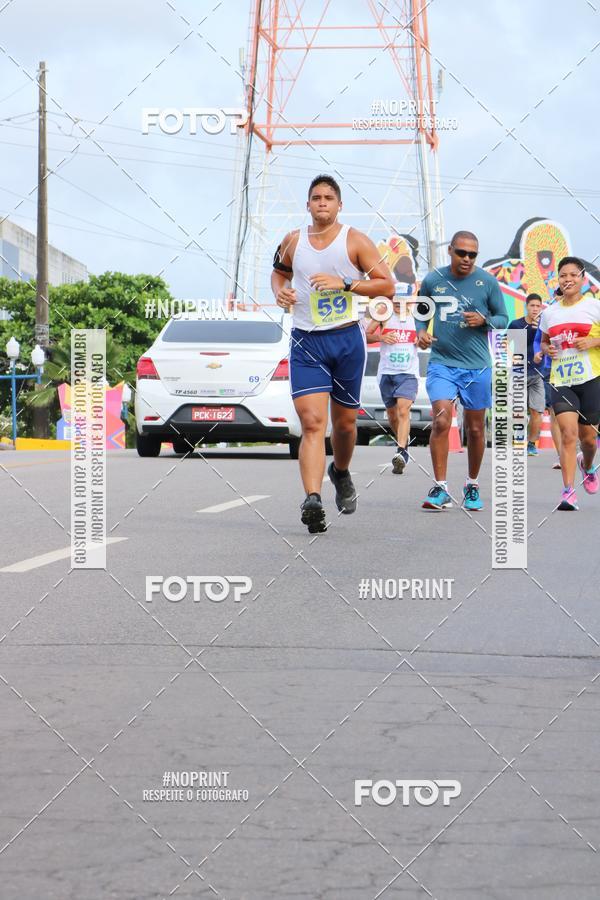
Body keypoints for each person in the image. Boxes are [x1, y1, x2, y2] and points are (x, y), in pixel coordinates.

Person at [271, 174, 395, 532]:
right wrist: (281, 292)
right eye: (315, 197)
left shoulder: (354, 240)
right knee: (312, 424)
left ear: (339, 205)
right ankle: (313, 499)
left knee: (345, 424)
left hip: (346, 340)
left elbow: (387, 285)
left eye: (328, 197)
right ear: (307, 205)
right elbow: (278, 274)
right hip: (306, 341)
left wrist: (345, 283)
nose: (322, 202)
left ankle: (340, 472)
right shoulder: (293, 241)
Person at [416, 230, 508, 511]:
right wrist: (421, 332)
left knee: (476, 428)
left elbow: (503, 319)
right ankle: (441, 488)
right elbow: (421, 312)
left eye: (472, 254)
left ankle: (472, 484)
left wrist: (484, 320)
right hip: (442, 363)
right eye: (462, 253)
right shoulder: (434, 280)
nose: (467, 258)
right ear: (451, 251)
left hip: (477, 367)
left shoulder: (487, 282)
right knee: (442, 420)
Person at [539, 256, 600, 510]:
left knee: (588, 439)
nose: (568, 280)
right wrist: (546, 350)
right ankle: (567, 492)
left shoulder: (594, 307)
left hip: (590, 378)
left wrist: (593, 342)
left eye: (573, 275)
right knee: (568, 434)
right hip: (561, 380)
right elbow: (543, 341)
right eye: (563, 275)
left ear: (582, 278)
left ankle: (587, 465)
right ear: (558, 280)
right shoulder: (550, 312)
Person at [365, 297, 419, 473]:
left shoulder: (418, 317)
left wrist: (422, 339)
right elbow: (365, 335)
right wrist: (381, 337)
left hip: (408, 373)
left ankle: (401, 452)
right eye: (396, 299)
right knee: (392, 415)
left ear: (410, 301)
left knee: (403, 410)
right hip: (386, 372)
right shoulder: (383, 314)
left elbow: (430, 337)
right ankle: (403, 441)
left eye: (403, 300)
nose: (399, 303)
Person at [508, 294, 546, 455]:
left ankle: (531, 444)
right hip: (519, 373)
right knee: (518, 411)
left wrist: (539, 329)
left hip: (537, 374)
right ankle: (518, 439)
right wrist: (512, 358)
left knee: (537, 411)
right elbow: (505, 344)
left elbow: (546, 344)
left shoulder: (544, 325)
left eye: (538, 306)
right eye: (532, 306)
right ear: (526, 306)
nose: (535, 309)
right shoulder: (516, 324)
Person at [533, 288, 562, 467]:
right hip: (552, 369)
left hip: (580, 371)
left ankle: (581, 450)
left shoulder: (584, 311)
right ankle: (561, 456)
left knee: (581, 415)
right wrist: (539, 352)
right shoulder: (548, 315)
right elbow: (539, 339)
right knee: (555, 412)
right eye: (558, 295)